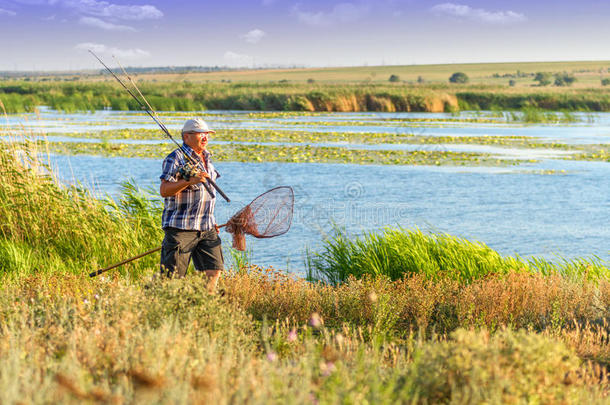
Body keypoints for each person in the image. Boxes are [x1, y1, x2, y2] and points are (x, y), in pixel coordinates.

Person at [159, 118, 224, 292]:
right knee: (172, 278)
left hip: (206, 226)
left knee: (214, 269)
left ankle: (204, 306)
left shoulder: (207, 158)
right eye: (200, 134)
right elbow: (164, 190)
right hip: (181, 227)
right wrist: (189, 181)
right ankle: (169, 310)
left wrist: (211, 220)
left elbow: (207, 195)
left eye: (207, 134)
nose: (205, 137)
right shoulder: (175, 158)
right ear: (187, 137)